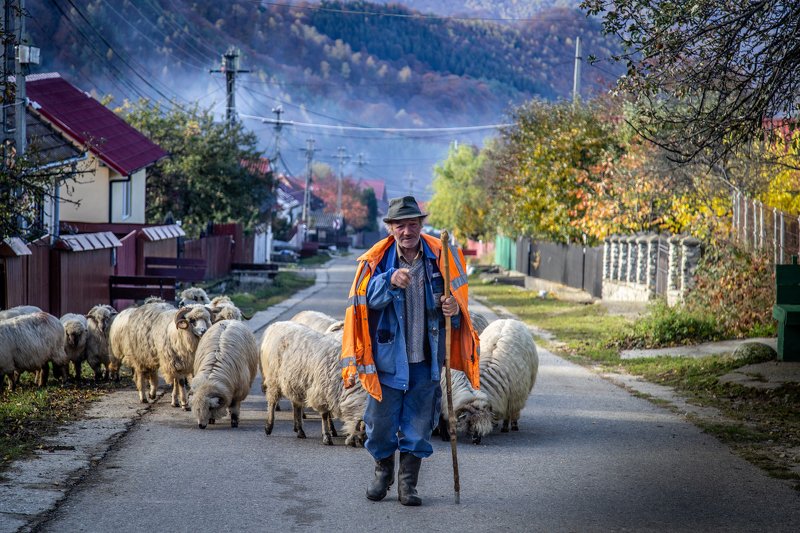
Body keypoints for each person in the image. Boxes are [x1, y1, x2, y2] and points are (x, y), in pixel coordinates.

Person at [341, 195, 480, 506]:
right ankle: (382, 474)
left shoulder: (440, 260)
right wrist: (389, 281)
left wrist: (452, 307)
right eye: (400, 225)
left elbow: (457, 311)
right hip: (388, 361)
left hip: (426, 360)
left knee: (418, 425)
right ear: (391, 228)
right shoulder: (377, 262)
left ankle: (408, 485)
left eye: (413, 224)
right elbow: (367, 301)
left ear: (421, 226)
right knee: (381, 424)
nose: (407, 231)